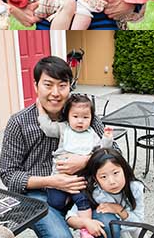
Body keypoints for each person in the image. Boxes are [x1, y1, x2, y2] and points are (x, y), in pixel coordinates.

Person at [0, 56, 119, 238]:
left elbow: (116, 152)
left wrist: (86, 161)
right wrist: (51, 181)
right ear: (36, 85)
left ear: (69, 87)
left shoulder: (82, 115)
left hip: (83, 190)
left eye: (62, 85)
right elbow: (8, 174)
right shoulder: (19, 122)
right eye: (48, 85)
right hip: (39, 194)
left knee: (110, 226)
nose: (55, 92)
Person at [37, 94, 114, 238]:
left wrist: (107, 138)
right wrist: (40, 109)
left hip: (80, 178)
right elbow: (47, 128)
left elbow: (102, 151)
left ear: (91, 118)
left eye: (85, 117)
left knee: (83, 201)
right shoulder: (63, 129)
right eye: (76, 116)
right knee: (56, 202)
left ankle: (84, 229)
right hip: (60, 177)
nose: (80, 121)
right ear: (68, 117)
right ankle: (69, 208)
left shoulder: (91, 134)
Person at [66, 148, 145, 238]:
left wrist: (118, 209)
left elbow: (138, 223)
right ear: (96, 179)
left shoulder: (135, 188)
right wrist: (86, 222)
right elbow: (70, 217)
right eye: (103, 177)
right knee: (107, 221)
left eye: (115, 173)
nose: (112, 181)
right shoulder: (94, 192)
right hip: (107, 232)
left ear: (124, 170)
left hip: (128, 231)